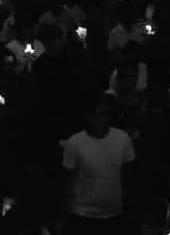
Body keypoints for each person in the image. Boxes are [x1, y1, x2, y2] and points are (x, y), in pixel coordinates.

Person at [60, 95, 137, 235]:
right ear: (88, 117)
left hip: (114, 212)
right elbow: (67, 179)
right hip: (82, 213)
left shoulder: (122, 139)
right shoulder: (74, 143)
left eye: (105, 115)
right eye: (97, 115)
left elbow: (129, 175)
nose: (102, 119)